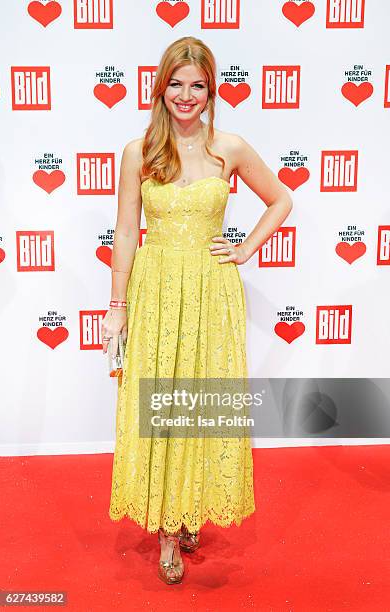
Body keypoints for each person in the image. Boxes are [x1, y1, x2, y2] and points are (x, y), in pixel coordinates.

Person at [101, 35, 293, 585]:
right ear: (160, 88)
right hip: (157, 291)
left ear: (212, 90)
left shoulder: (228, 147)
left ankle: (188, 511)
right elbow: (124, 230)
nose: (186, 96)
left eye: (198, 85)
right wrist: (117, 305)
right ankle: (167, 530)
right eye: (176, 84)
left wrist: (245, 248)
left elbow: (280, 199)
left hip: (212, 293)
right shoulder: (140, 151)